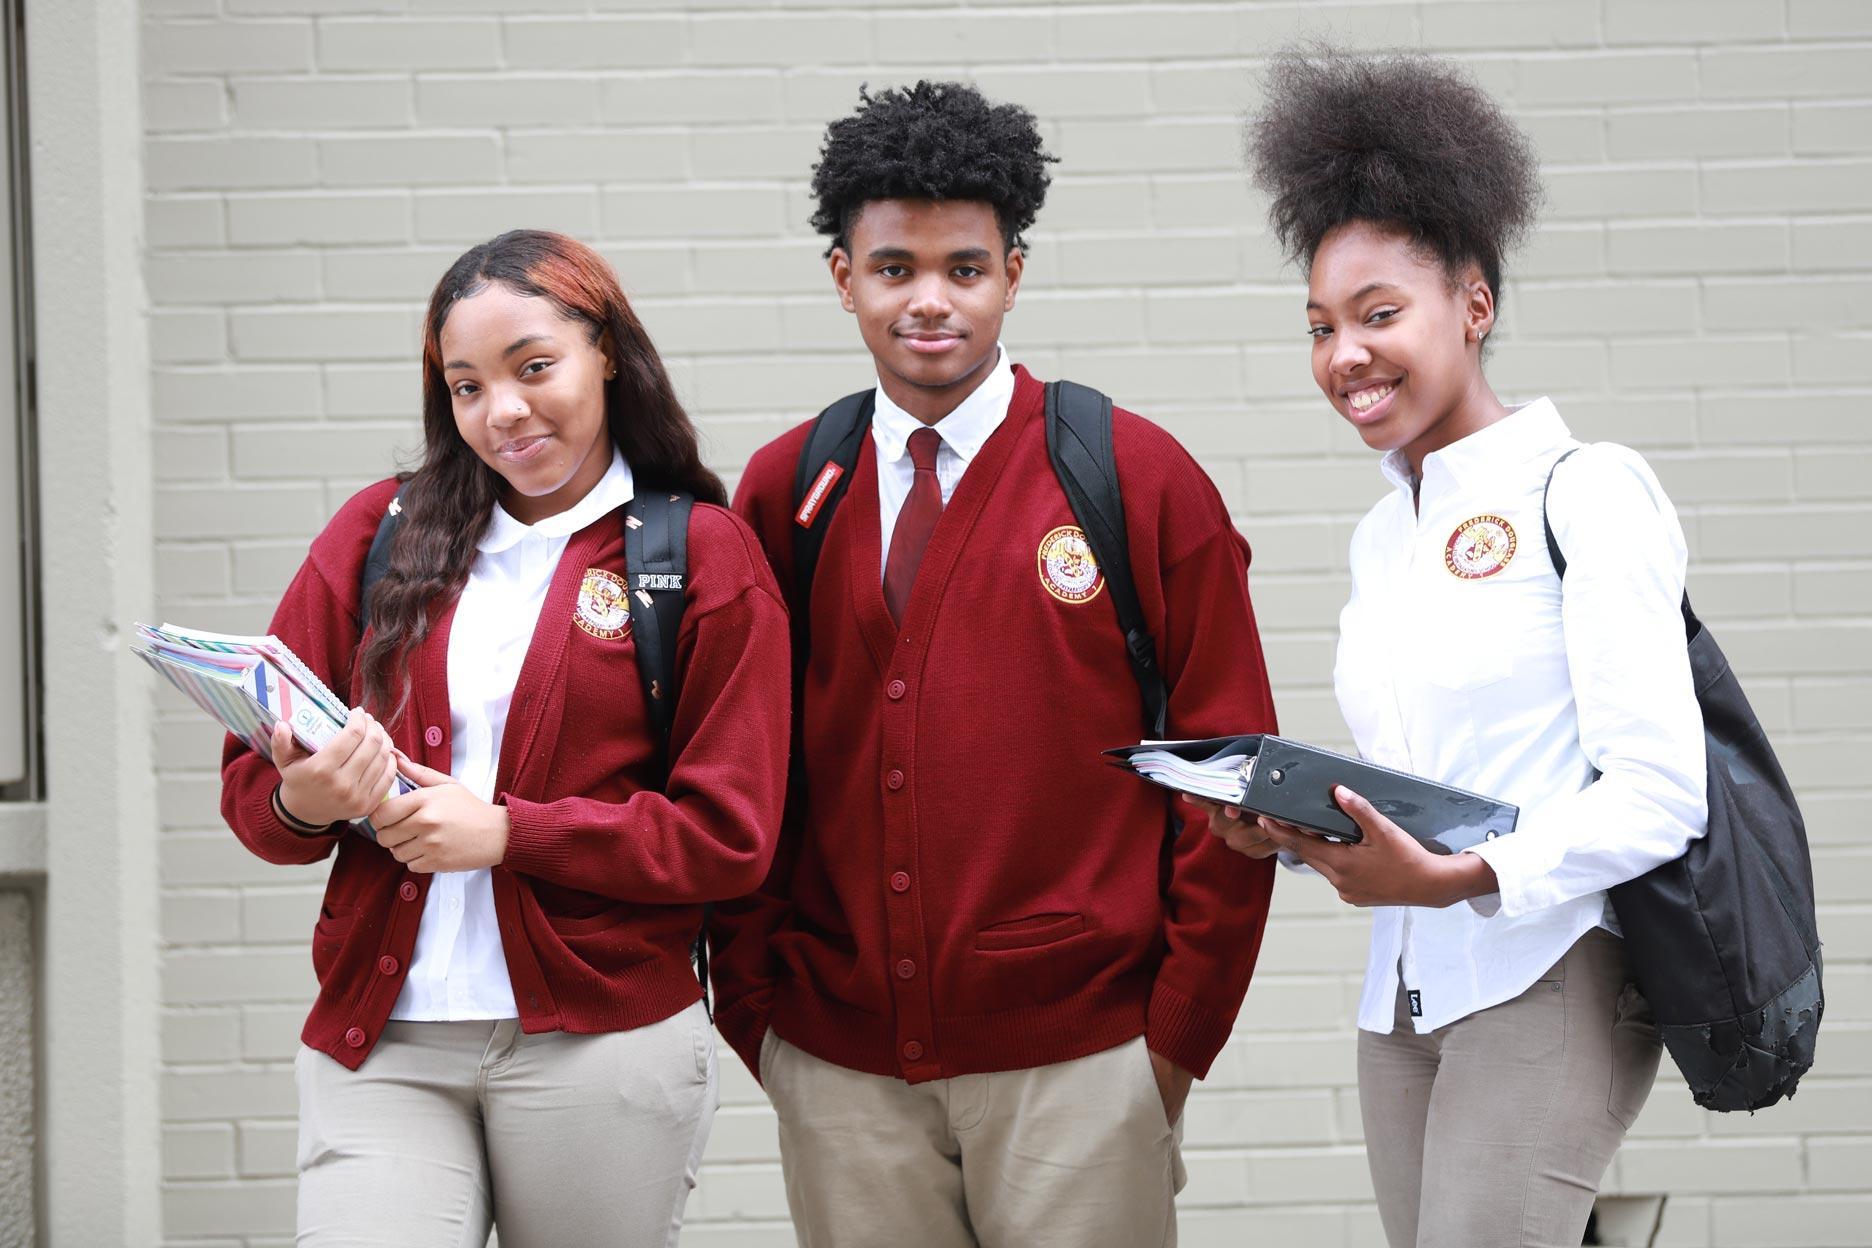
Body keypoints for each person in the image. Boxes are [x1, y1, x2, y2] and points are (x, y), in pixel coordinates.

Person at [708, 81, 1280, 1248]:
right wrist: (757, 1011)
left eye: (964, 268)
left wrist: (1172, 1042)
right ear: (843, 278)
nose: (931, 300)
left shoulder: (1131, 476)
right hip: (839, 1067)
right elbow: (743, 772)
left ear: (1013, 274)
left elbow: (1232, 777)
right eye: (895, 268)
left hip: (1085, 1063)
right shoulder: (785, 491)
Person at [1208, 49, 1709, 1247]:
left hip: (1549, 970)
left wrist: (1464, 877)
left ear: (1474, 305)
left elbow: (1661, 793)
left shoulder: (1586, 490)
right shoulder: (1385, 533)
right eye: (1322, 327)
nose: (1345, 355)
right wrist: (1296, 828)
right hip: (1405, 991)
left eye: (1379, 315)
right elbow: (1433, 781)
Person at [217, 229, 791, 1247]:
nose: (503, 411)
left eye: (534, 368)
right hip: (386, 1039)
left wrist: (508, 834)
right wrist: (306, 800)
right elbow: (254, 796)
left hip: (602, 1041)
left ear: (606, 353)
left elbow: (728, 835)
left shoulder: (700, 556)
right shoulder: (378, 536)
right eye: (467, 386)